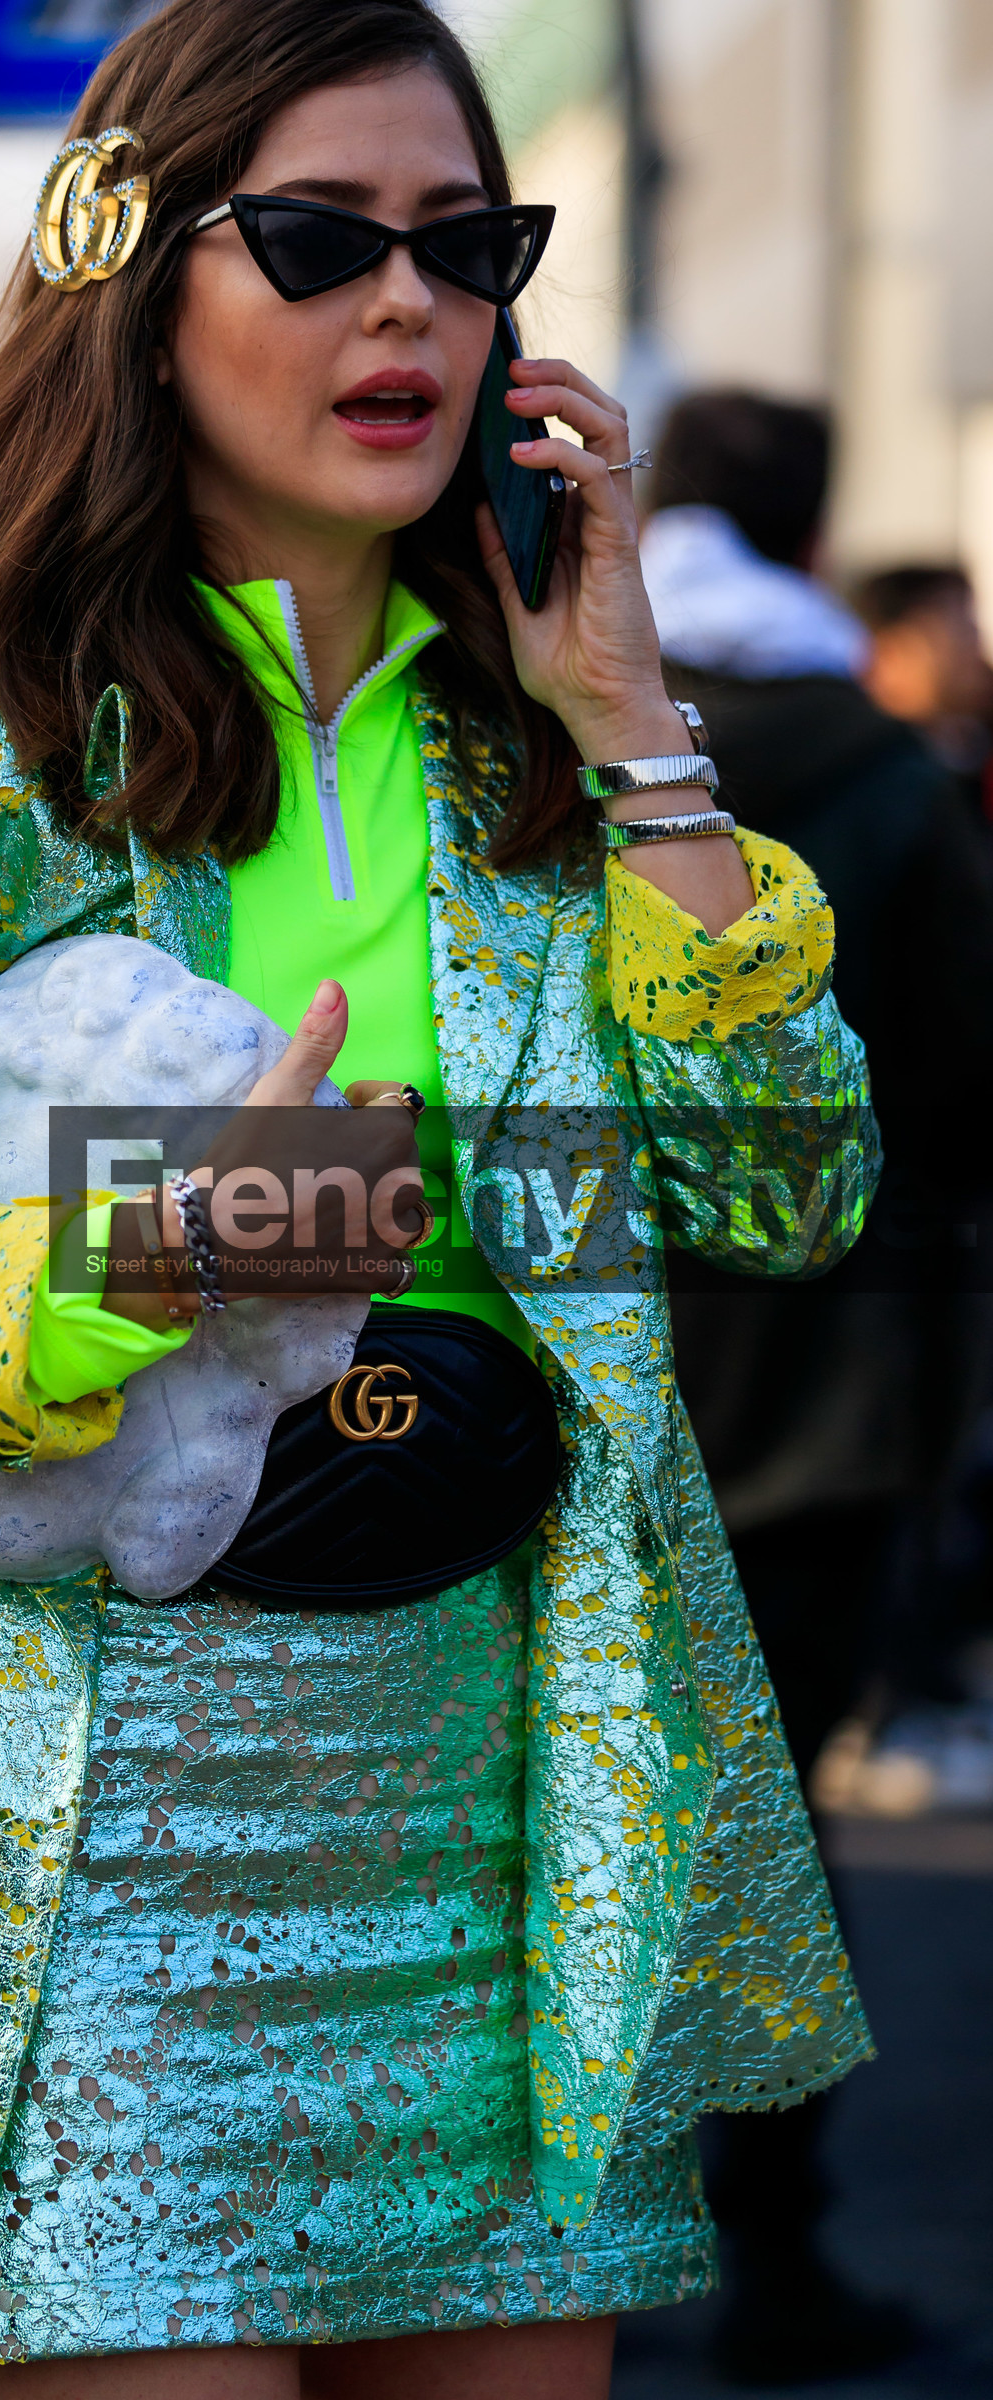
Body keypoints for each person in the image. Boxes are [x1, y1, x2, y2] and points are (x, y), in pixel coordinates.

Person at [0, 7, 877, 2393]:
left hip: (516, 1805)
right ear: (128, 265)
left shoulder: (542, 752)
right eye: (321, 240)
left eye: (466, 246)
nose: (407, 308)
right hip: (83, 1840)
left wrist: (636, 725)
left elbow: (785, 1190)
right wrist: (164, 1249)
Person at [644, 390, 993, 2380]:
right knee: (763, 1820)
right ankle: (767, 2251)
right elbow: (954, 1062)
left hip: (575, 1356)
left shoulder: (528, 724)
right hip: (822, 1384)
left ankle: (558, 2250)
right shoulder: (862, 759)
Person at [852, 561, 993, 826]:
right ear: (889, 651)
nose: (975, 645)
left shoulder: (973, 755)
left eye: (973, 626)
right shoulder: (863, 778)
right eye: (958, 626)